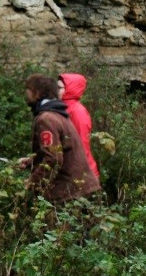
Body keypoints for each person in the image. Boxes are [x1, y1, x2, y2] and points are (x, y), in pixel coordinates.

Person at [20, 74, 99, 204]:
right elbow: (59, 150)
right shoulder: (58, 114)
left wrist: (31, 182)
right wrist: (31, 161)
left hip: (72, 194)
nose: (26, 93)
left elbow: (53, 158)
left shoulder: (46, 119)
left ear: (37, 93)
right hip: (81, 191)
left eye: (28, 89)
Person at [58, 73, 99, 179]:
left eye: (59, 88)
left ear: (70, 89)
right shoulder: (61, 109)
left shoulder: (77, 112)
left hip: (81, 173)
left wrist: (79, 173)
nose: (55, 90)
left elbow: (82, 144)